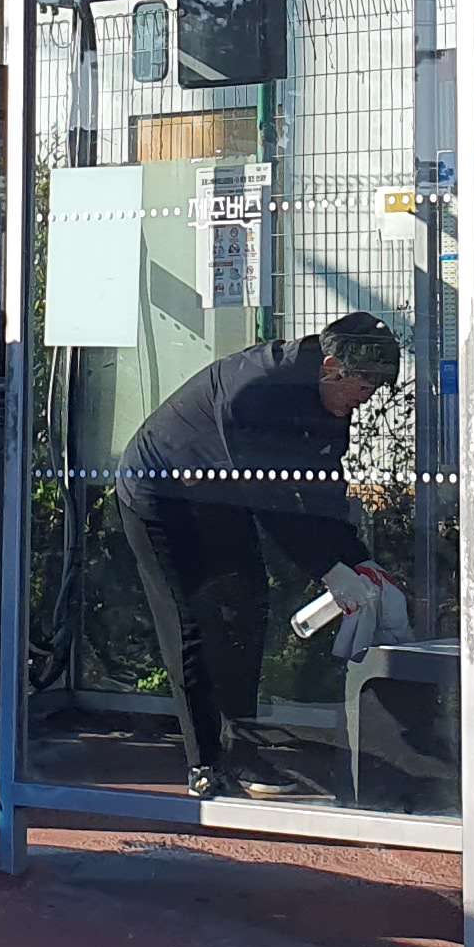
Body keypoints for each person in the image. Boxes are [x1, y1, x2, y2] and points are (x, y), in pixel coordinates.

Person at [118, 314, 403, 799]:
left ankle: (244, 752)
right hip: (160, 493)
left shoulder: (330, 396)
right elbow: (267, 497)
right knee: (190, 623)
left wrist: (358, 559)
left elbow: (322, 490)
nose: (369, 397)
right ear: (332, 366)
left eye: (378, 388)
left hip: (218, 493)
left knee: (247, 608)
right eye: (365, 384)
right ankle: (204, 762)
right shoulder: (257, 388)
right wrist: (327, 569)